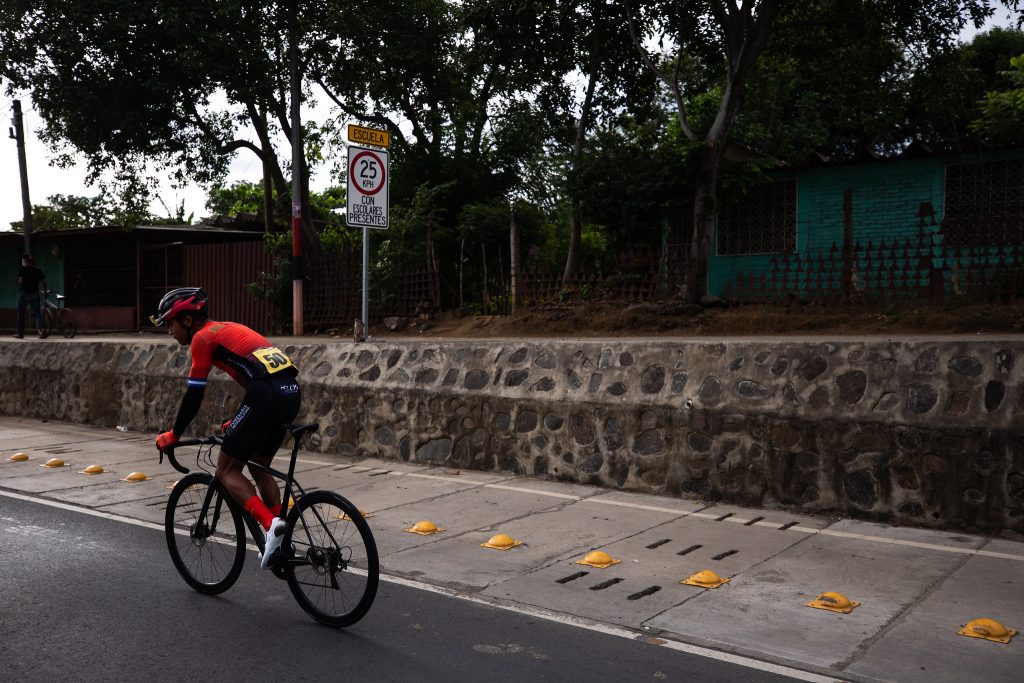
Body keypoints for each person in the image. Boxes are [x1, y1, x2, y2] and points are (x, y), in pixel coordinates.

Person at [151, 287, 301, 569]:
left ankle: (271, 526)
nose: (169, 331)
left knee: (226, 470)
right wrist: (239, 421)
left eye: (169, 323)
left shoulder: (202, 338)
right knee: (258, 465)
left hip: (265, 395)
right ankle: (282, 537)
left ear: (186, 320)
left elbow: (195, 394)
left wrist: (174, 434)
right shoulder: (229, 327)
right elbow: (259, 379)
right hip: (290, 392)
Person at [15, 253, 48, 339]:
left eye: (23, 261)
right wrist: (45, 292)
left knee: (21, 313)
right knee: (37, 313)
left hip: (25, 293)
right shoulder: (37, 270)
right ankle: (41, 331)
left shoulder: (22, 269)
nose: (22, 262)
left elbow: (20, 281)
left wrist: (21, 286)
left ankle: (20, 333)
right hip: (35, 294)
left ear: (25, 261)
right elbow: (44, 282)